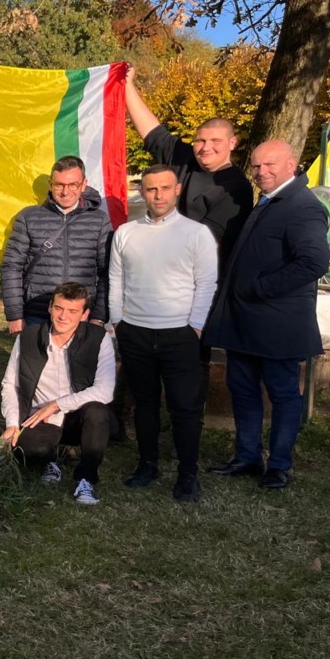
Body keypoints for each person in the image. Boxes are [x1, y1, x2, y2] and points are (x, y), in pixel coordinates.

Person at [203, 139, 330, 490]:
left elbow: (314, 261)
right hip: (244, 323)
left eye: (270, 165)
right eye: (256, 166)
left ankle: (278, 466)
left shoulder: (303, 206)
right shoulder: (270, 201)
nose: (261, 172)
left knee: (283, 395)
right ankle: (246, 457)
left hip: (277, 325)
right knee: (242, 391)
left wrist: (260, 288)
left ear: (292, 165)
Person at [108, 165, 218, 502]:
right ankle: (148, 463)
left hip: (179, 335)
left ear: (177, 190)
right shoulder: (126, 232)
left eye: (165, 188)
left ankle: (187, 474)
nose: (158, 195)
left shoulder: (196, 233)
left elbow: (206, 282)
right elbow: (116, 280)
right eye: (151, 189)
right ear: (142, 191)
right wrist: (117, 322)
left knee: (184, 407)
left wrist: (195, 326)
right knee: (145, 404)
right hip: (135, 332)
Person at [124, 65, 254, 266]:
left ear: (232, 143)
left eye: (215, 141)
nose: (205, 148)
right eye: (200, 141)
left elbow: (206, 244)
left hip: (198, 282)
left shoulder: (236, 188)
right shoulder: (185, 159)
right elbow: (151, 132)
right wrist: (127, 85)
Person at [0, 282, 116, 505]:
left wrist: (57, 404)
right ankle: (50, 460)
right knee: (27, 451)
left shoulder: (99, 339)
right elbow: (10, 384)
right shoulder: (28, 337)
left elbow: (105, 390)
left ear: (84, 315)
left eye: (73, 311)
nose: (64, 316)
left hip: (78, 416)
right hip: (40, 417)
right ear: (50, 308)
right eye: (59, 308)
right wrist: (12, 423)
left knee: (98, 411)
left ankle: (86, 478)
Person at [1, 156, 112, 333]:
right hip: (36, 315)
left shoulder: (99, 220)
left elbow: (107, 273)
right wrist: (15, 316)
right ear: (51, 184)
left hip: (81, 318)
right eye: (59, 185)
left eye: (73, 185)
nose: (65, 192)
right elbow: (11, 267)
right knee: (33, 361)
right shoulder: (28, 217)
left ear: (84, 185)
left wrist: (98, 317)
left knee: (77, 362)